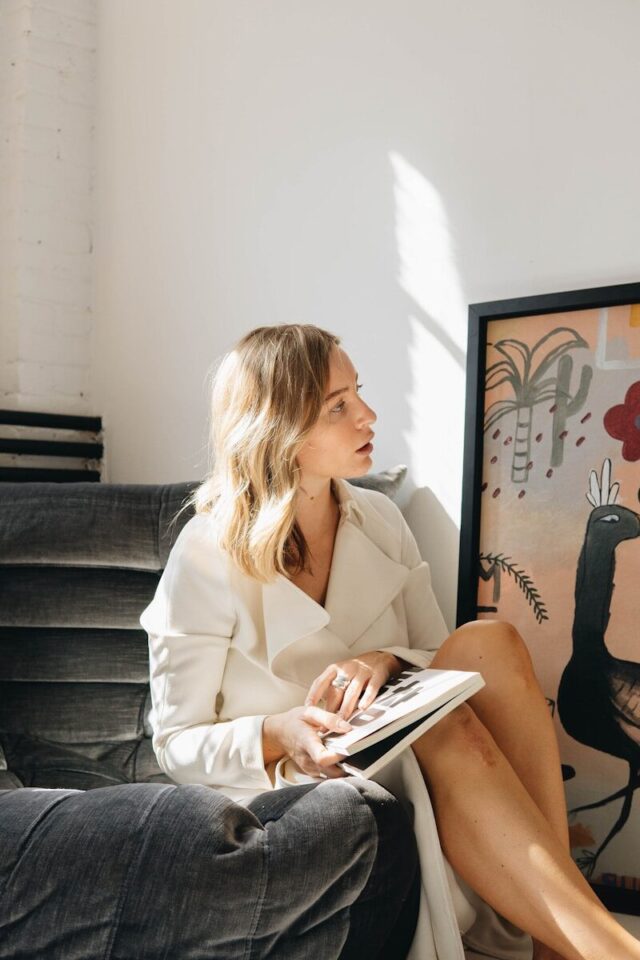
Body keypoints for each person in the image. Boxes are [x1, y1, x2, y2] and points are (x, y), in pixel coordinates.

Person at [140, 323, 640, 960]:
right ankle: (605, 949)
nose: (368, 416)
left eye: (359, 394)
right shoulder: (208, 552)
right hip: (296, 771)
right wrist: (280, 731)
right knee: (444, 728)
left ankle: (561, 944)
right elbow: (175, 742)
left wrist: (389, 658)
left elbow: (445, 660)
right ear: (283, 432)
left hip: (402, 738)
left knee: (489, 641)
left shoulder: (378, 518)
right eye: (338, 407)